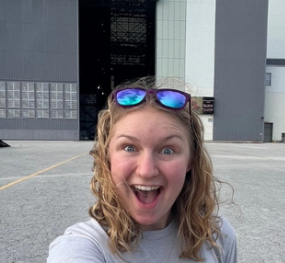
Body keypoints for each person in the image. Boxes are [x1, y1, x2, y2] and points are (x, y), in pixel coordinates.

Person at [47, 78, 237, 263]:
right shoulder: (82, 246)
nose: (146, 171)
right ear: (107, 157)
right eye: (129, 148)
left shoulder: (217, 236)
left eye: (167, 150)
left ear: (191, 161)